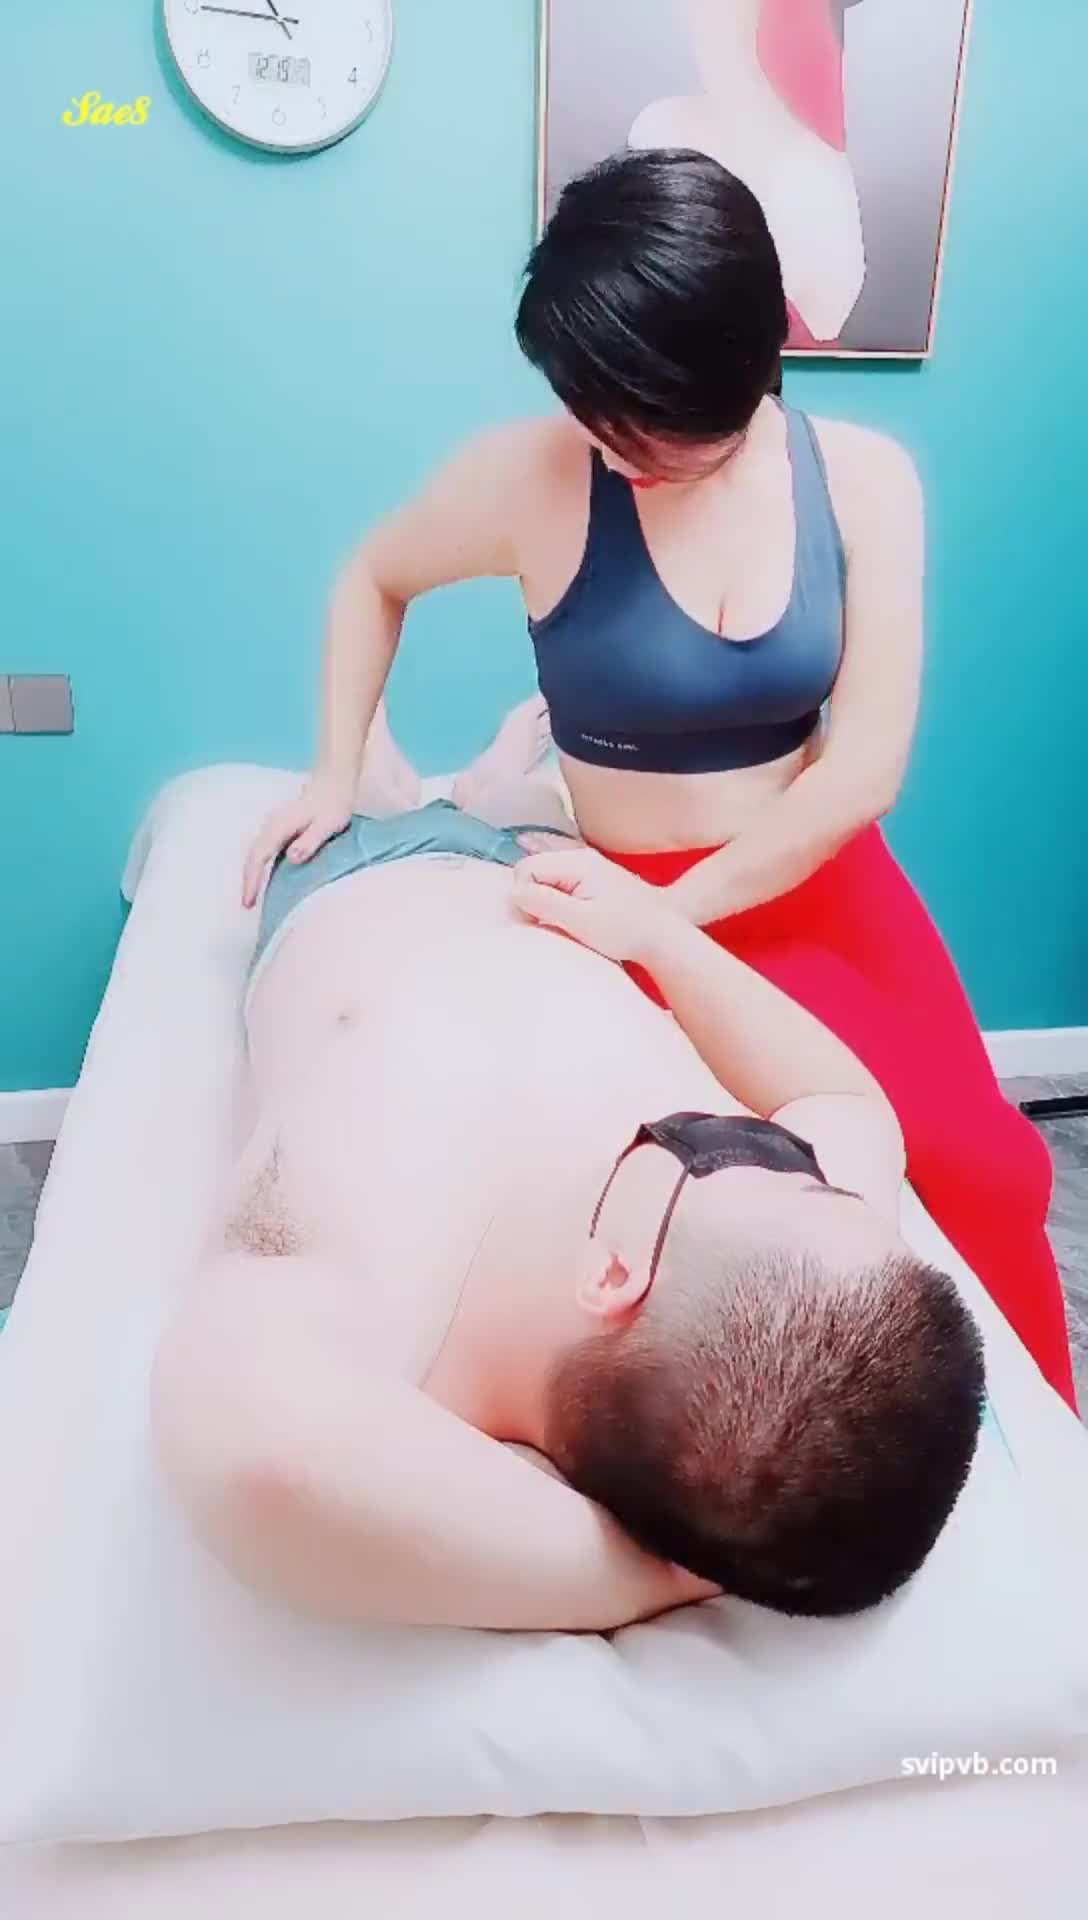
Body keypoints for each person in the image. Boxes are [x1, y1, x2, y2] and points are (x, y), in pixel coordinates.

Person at [240, 148, 1074, 1410]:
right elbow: (373, 575)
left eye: (649, 423)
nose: (611, 443)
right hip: (628, 896)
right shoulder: (532, 475)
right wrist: (332, 770)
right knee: (745, 1215)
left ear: (745, 360)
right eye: (591, 408)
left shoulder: (860, 481)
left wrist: (669, 920)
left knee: (988, 1167)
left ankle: (1051, 1465)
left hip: (809, 882)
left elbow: (863, 770)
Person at [157, 709, 984, 1635]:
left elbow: (263, 1455)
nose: (777, 1138)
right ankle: (490, 781)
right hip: (550, 882)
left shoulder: (378, 1225)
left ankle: (395, 778)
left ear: (616, 1272)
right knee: (520, 797)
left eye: (750, 1152)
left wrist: (642, 1580)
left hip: (356, 879)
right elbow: (847, 1104)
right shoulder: (774, 1288)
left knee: (374, 787)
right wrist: (659, 936)